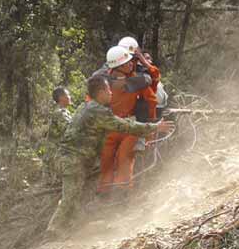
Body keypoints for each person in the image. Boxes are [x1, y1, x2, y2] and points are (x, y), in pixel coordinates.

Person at [46, 76, 173, 235]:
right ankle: (52, 232)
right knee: (70, 199)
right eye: (108, 90)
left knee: (76, 197)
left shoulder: (85, 107)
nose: (111, 93)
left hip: (75, 159)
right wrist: (155, 127)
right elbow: (124, 126)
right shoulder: (97, 111)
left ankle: (74, 230)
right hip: (72, 160)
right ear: (100, 93)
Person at [97, 45, 158, 194]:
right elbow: (91, 103)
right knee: (106, 159)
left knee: (124, 158)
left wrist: (149, 128)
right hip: (109, 126)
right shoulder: (102, 81)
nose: (131, 63)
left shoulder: (138, 80)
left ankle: (122, 194)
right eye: (127, 62)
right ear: (117, 66)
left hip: (130, 126)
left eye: (131, 61)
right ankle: (104, 194)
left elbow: (151, 101)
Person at [42, 87, 73, 185]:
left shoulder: (64, 112)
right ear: (61, 98)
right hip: (55, 159)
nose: (70, 97)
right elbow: (70, 131)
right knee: (55, 191)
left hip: (57, 158)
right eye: (68, 95)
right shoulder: (60, 113)